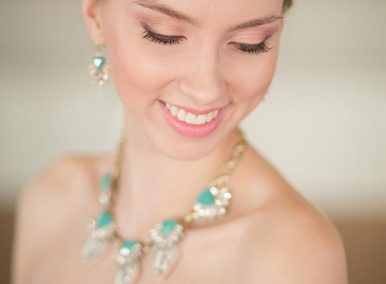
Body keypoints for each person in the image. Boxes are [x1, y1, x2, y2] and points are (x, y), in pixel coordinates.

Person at [12, 0, 348, 283]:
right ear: (95, 16)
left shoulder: (292, 255)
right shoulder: (50, 197)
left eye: (251, 42)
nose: (208, 89)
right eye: (165, 36)